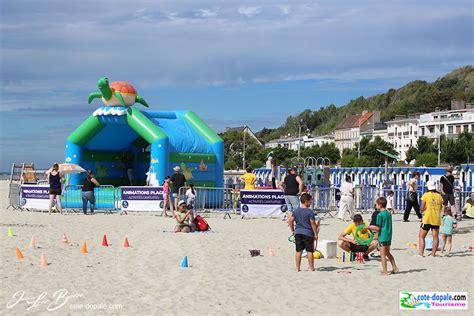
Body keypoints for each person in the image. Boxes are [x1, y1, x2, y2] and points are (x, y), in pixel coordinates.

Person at [287, 193, 319, 272]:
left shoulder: (296, 211)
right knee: (309, 251)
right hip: (308, 233)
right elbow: (313, 224)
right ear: (306, 201)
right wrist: (316, 234)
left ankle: (297, 268)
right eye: (310, 201)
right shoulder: (309, 212)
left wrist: (293, 230)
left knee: (298, 251)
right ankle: (311, 268)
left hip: (298, 233)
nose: (311, 202)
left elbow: (290, 220)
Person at [370, 197, 399, 275]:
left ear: (380, 205)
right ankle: (395, 267)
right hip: (389, 235)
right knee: (387, 253)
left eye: (376, 204)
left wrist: (369, 227)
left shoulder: (380, 215)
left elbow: (378, 228)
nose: (375, 206)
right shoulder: (388, 213)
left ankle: (385, 271)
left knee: (382, 255)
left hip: (383, 236)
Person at [419, 181, 443, 257]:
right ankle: (433, 254)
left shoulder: (425, 195)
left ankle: (421, 254)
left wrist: (423, 210)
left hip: (427, 218)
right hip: (436, 218)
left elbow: (422, 208)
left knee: (421, 236)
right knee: (435, 237)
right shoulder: (439, 196)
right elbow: (441, 207)